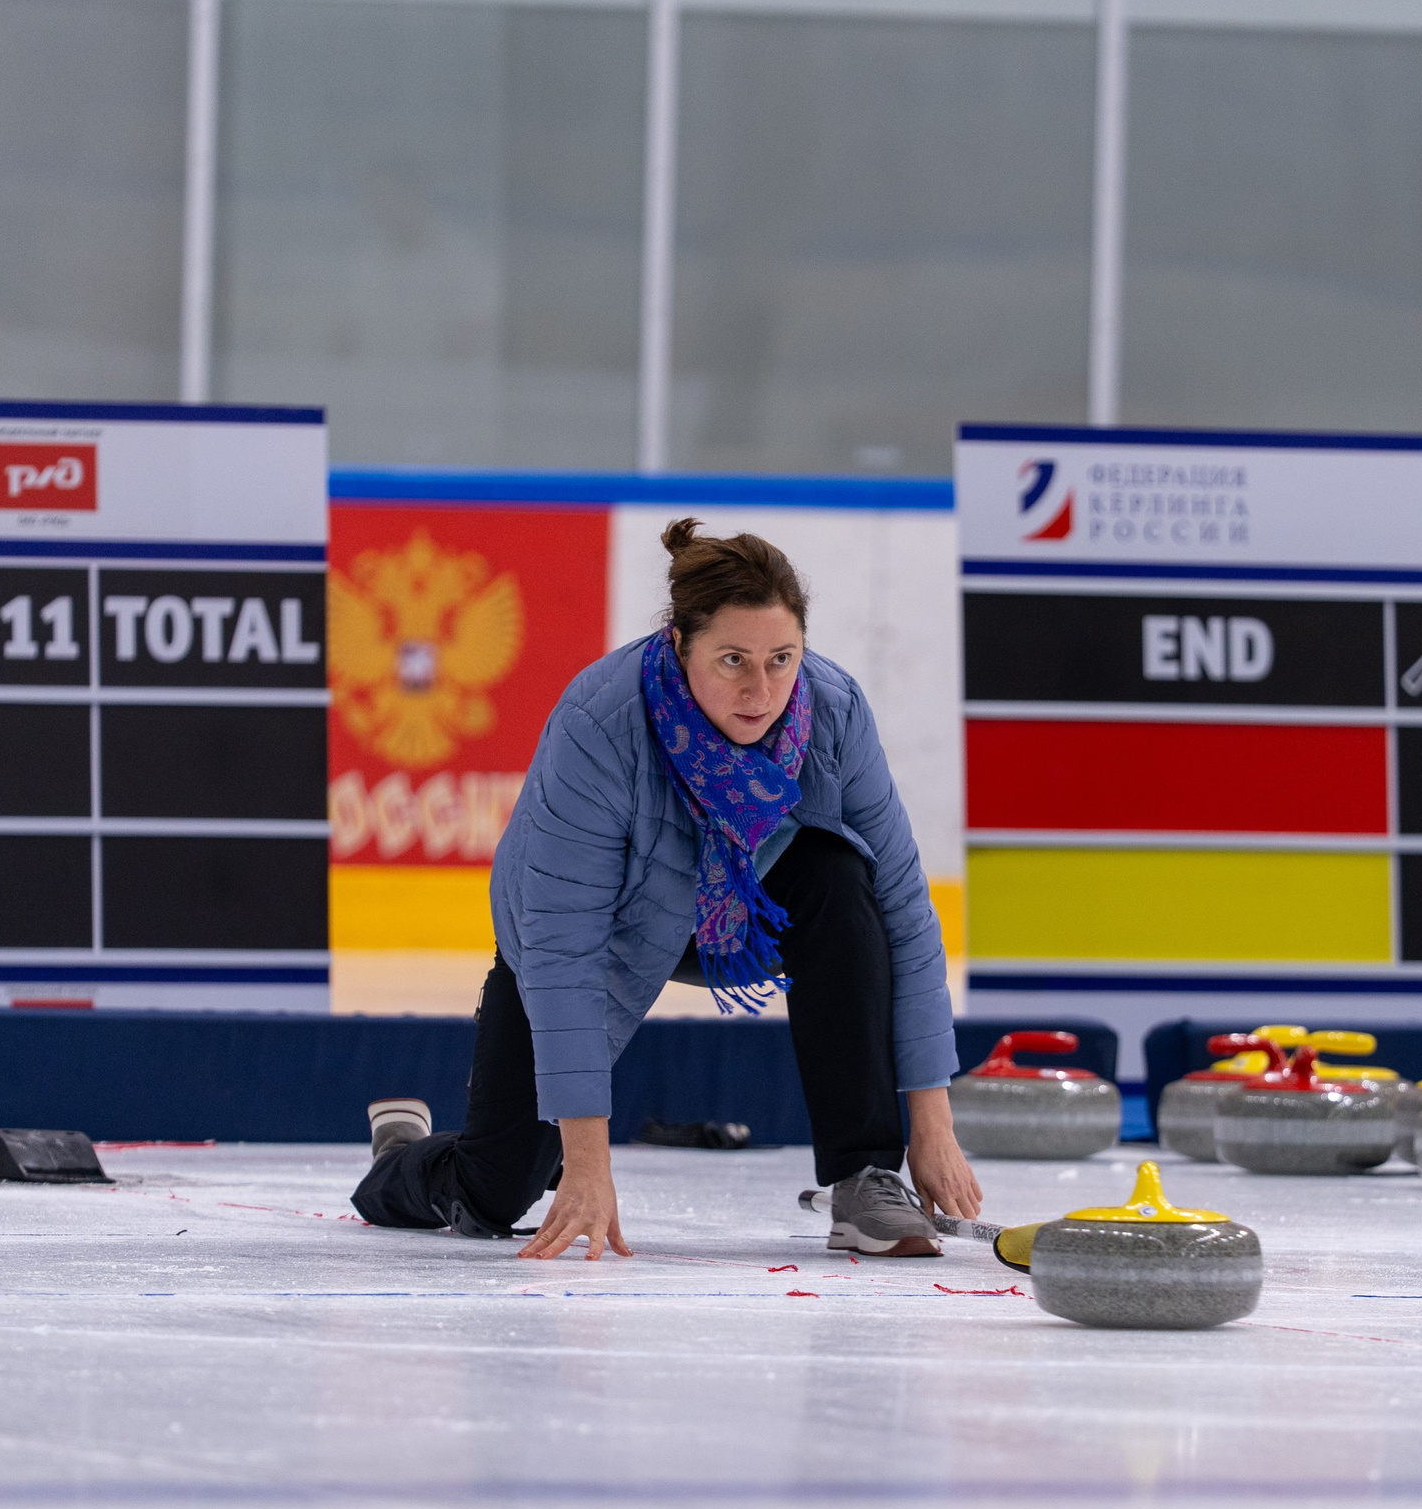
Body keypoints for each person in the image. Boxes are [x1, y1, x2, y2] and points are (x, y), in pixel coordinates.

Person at [352, 519, 983, 1255]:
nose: (761, 690)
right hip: (597, 932)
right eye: (733, 660)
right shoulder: (599, 724)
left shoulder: (833, 710)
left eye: (782, 659)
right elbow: (563, 947)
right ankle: (403, 1155)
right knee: (494, 1189)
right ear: (682, 647)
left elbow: (904, 911)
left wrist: (932, 1125)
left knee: (844, 880)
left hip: (746, 912)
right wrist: (587, 1164)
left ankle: (864, 1175)